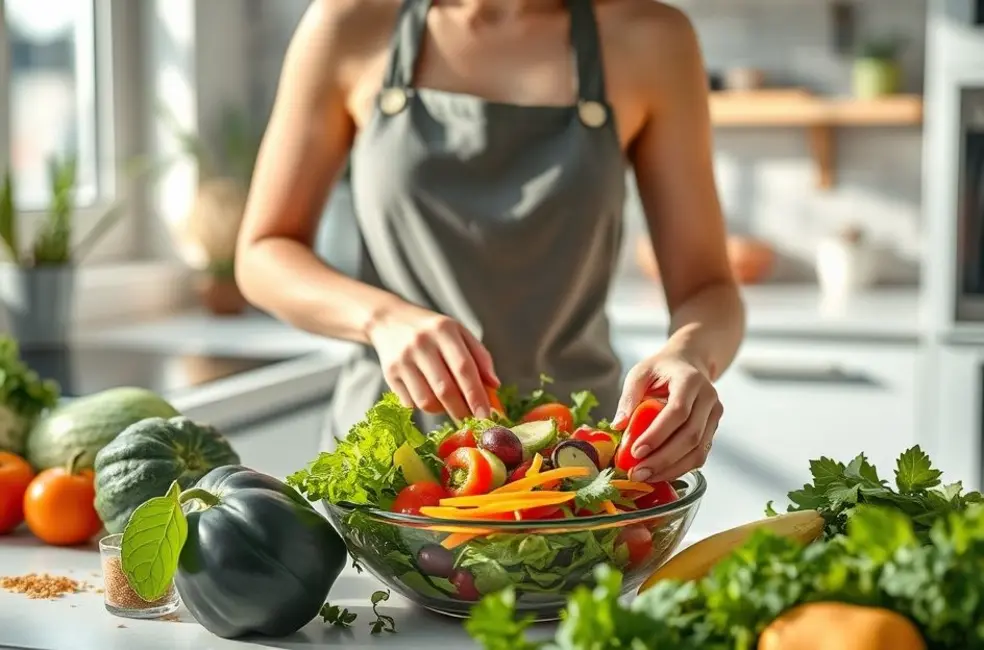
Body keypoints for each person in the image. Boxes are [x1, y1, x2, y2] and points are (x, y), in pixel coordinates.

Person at [235, 0, 746, 485]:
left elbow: (708, 287)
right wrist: (381, 318)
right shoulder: (351, 22)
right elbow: (263, 251)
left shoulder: (651, 38)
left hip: (575, 470)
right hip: (393, 469)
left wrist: (690, 355)